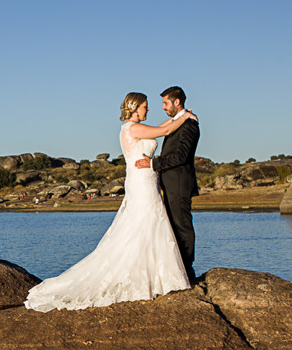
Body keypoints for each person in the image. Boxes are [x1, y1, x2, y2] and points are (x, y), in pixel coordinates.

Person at [24, 92, 194, 311]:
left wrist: (180, 115)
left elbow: (163, 126)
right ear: (135, 107)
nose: (148, 109)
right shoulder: (132, 128)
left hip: (145, 180)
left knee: (147, 225)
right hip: (142, 183)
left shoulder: (133, 128)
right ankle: (149, 277)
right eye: (145, 106)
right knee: (144, 222)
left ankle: (154, 276)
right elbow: (165, 131)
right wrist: (185, 117)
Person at [134, 87, 201, 284]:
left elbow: (181, 156)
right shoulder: (179, 122)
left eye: (165, 103)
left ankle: (187, 270)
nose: (163, 107)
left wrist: (153, 163)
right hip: (170, 184)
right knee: (173, 225)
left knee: (182, 226)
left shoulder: (189, 124)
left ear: (177, 102)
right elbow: (163, 129)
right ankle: (177, 269)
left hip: (179, 183)